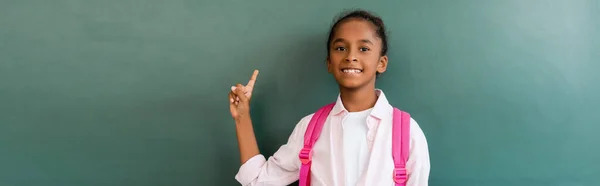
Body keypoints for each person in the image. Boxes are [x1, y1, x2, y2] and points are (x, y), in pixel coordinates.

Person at [228, 9, 430, 186]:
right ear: (329, 63)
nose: (351, 56)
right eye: (340, 48)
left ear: (381, 63)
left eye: (364, 49)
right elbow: (258, 181)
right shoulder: (309, 129)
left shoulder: (408, 133)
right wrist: (242, 118)